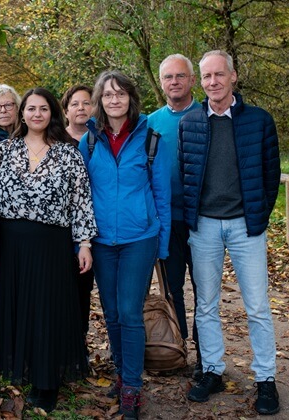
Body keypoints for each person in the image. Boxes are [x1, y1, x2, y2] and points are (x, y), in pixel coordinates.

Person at [179, 50, 281, 415]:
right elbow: (187, 176)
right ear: (200, 81)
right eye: (206, 77)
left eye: (219, 75)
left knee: (256, 307)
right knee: (205, 305)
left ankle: (266, 379)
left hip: (246, 226)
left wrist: (257, 217)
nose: (212, 83)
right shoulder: (190, 122)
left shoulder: (258, 120)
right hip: (204, 226)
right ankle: (213, 371)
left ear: (233, 76)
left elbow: (271, 178)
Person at [0, 87, 97, 413]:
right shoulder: (4, 150)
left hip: (52, 243)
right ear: (22, 113)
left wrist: (84, 243)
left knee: (46, 311)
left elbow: (81, 200)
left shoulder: (69, 153)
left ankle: (47, 381)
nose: (37, 114)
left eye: (43, 109)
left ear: (52, 113)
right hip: (12, 245)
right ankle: (23, 370)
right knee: (20, 308)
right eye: (31, 108)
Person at [78, 70, 171, 420]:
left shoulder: (150, 139)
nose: (114, 100)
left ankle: (132, 387)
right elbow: (80, 194)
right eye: (107, 95)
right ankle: (121, 374)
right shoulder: (89, 141)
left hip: (139, 239)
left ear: (131, 98)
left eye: (120, 94)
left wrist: (160, 246)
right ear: (100, 101)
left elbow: (161, 195)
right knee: (113, 313)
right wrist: (83, 241)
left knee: (131, 312)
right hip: (102, 241)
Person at [147, 54, 202, 379]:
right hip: (167, 220)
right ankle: (178, 348)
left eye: (180, 76)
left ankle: (207, 357)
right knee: (173, 288)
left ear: (192, 80)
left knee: (205, 289)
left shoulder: (207, 114)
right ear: (161, 82)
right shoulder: (152, 122)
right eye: (168, 77)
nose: (174, 82)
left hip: (204, 219)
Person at [61, 84, 96, 340]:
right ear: (65, 111)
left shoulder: (102, 139)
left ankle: (80, 344)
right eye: (75, 104)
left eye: (86, 103)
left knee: (85, 287)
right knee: (65, 289)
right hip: (63, 229)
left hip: (96, 225)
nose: (81, 108)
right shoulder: (57, 142)